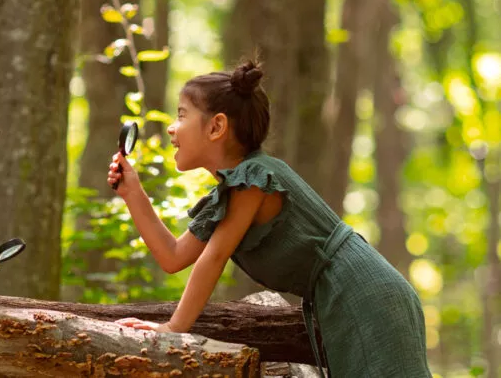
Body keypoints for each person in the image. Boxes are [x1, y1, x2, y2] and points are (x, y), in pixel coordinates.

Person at [107, 59, 431, 377]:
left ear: (216, 127)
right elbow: (173, 256)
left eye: (181, 115)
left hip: (365, 291)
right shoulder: (232, 194)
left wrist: (174, 327)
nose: (171, 127)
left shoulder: (255, 178)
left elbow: (214, 257)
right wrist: (133, 193)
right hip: (347, 293)